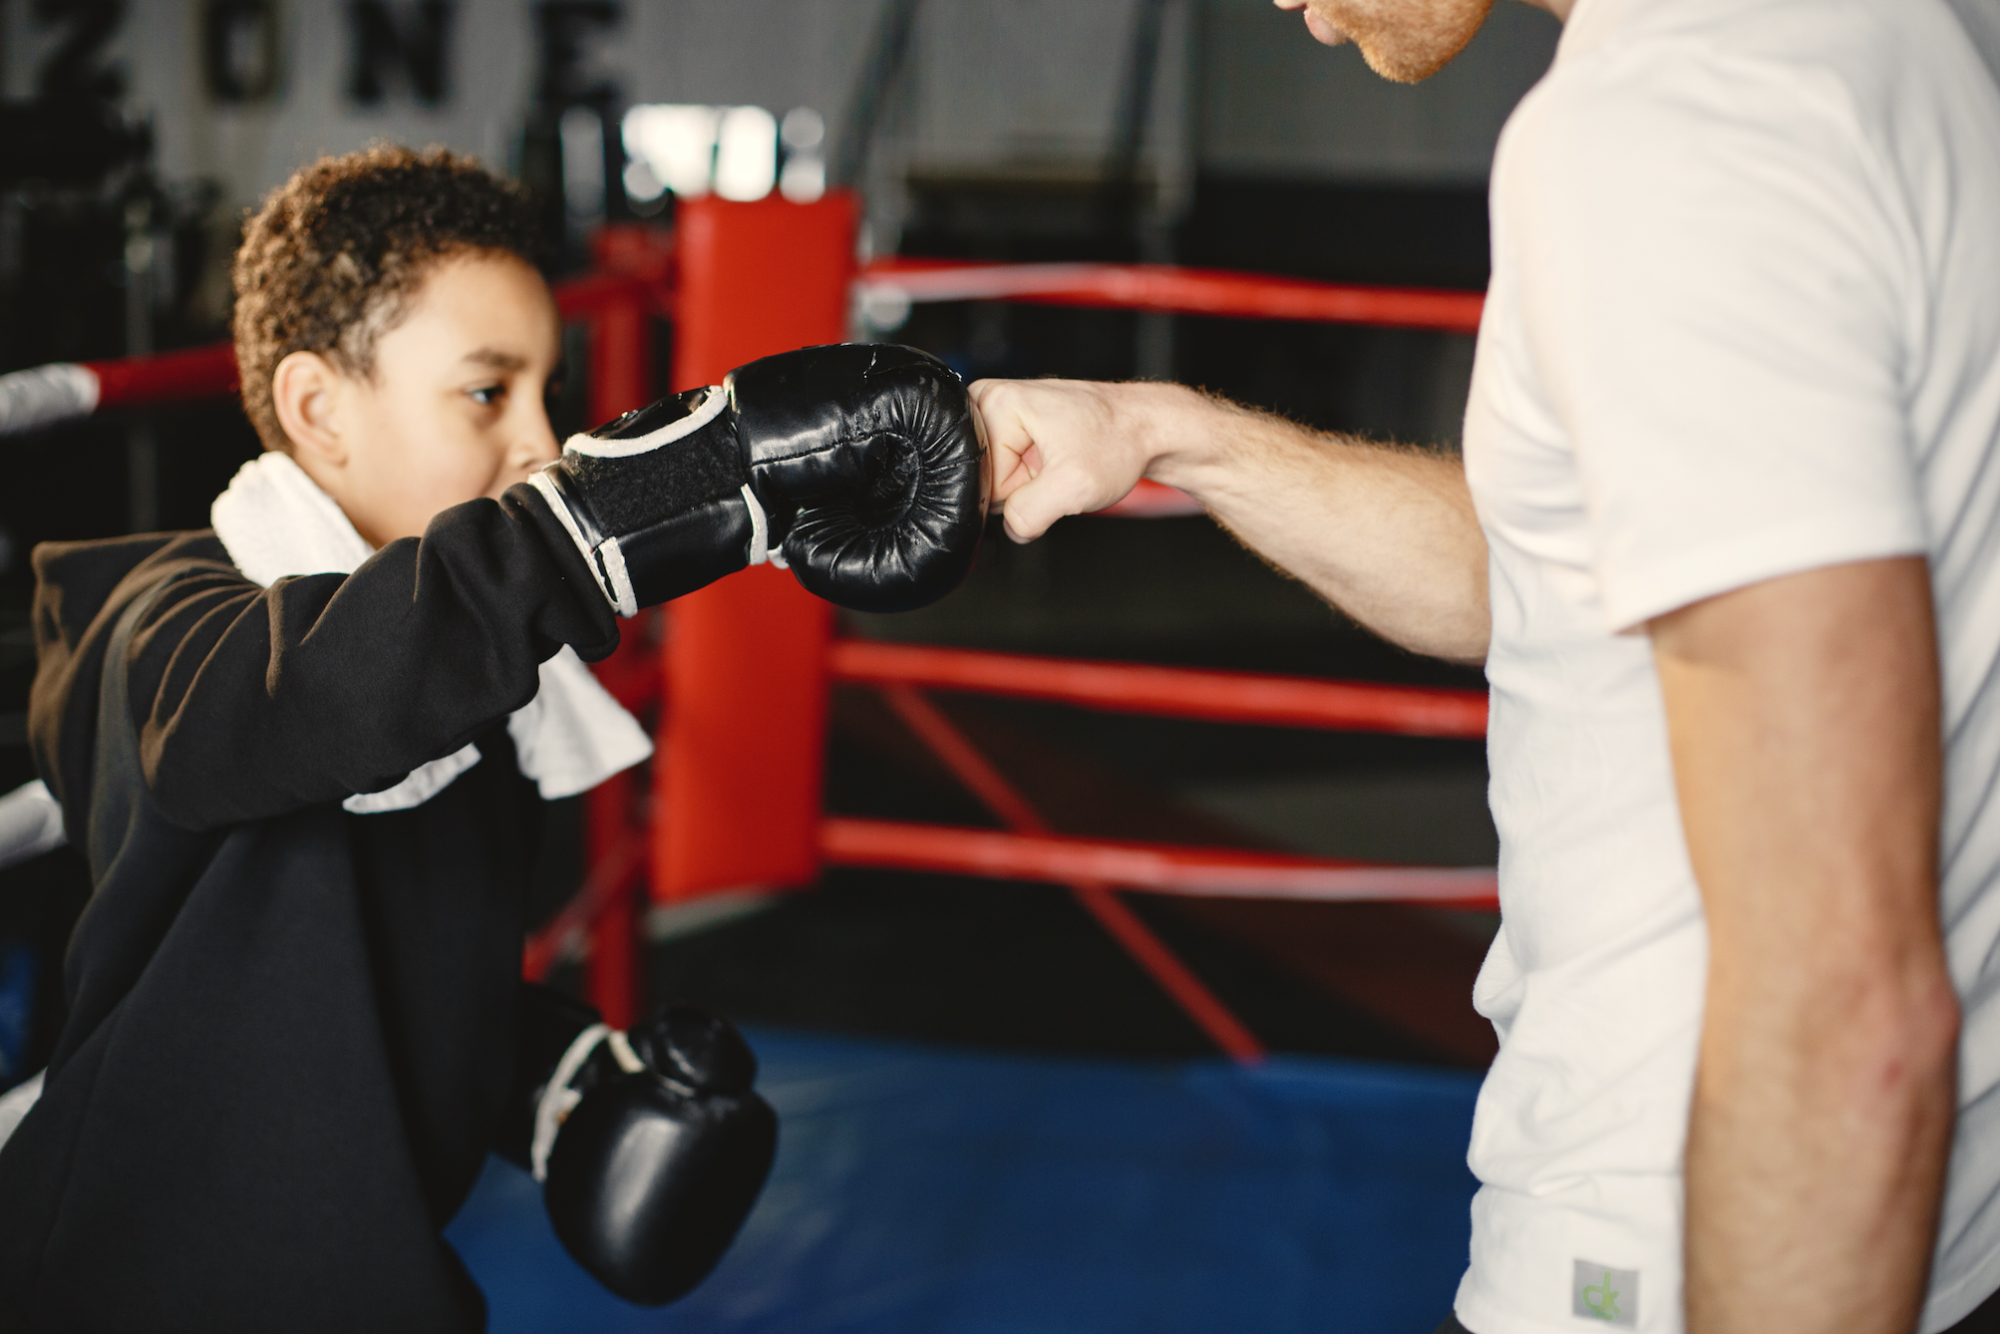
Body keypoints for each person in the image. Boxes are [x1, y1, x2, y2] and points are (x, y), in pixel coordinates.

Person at [971, 0, 2000, 1331]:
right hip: (1944, 1214)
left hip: (1689, 1239)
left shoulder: (1673, 127)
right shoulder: (1905, 36)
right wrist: (1164, 431)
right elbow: (1549, 569)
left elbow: (1842, 1000)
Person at [0, 146, 984, 1329]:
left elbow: (344, 958)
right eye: (485, 391)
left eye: (546, 393)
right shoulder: (175, 631)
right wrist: (655, 500)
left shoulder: (463, 675)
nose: (538, 443)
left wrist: (550, 1079)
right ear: (318, 409)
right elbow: (282, 713)